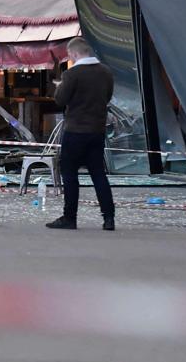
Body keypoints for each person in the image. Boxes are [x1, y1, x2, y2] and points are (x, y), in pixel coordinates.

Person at [46, 37, 116, 231]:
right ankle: (108, 218)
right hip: (97, 130)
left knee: (69, 173)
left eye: (70, 55)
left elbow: (60, 99)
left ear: (74, 54)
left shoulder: (72, 74)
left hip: (75, 130)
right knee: (98, 174)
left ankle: (70, 217)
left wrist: (60, 85)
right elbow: (108, 96)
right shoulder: (106, 72)